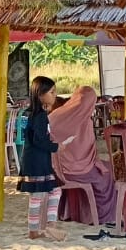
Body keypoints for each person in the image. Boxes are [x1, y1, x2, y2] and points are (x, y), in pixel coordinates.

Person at [50, 86, 116, 225]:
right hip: (77, 171)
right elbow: (87, 155)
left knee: (100, 169)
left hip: (54, 171)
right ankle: (104, 217)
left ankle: (70, 212)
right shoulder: (85, 122)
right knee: (107, 173)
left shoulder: (54, 115)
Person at [18, 76, 63, 240]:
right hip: (36, 162)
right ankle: (41, 229)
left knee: (52, 191)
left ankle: (44, 227)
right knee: (39, 195)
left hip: (36, 160)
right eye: (51, 92)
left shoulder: (33, 113)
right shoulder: (40, 116)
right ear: (40, 94)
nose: (55, 95)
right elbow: (39, 140)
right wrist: (57, 147)